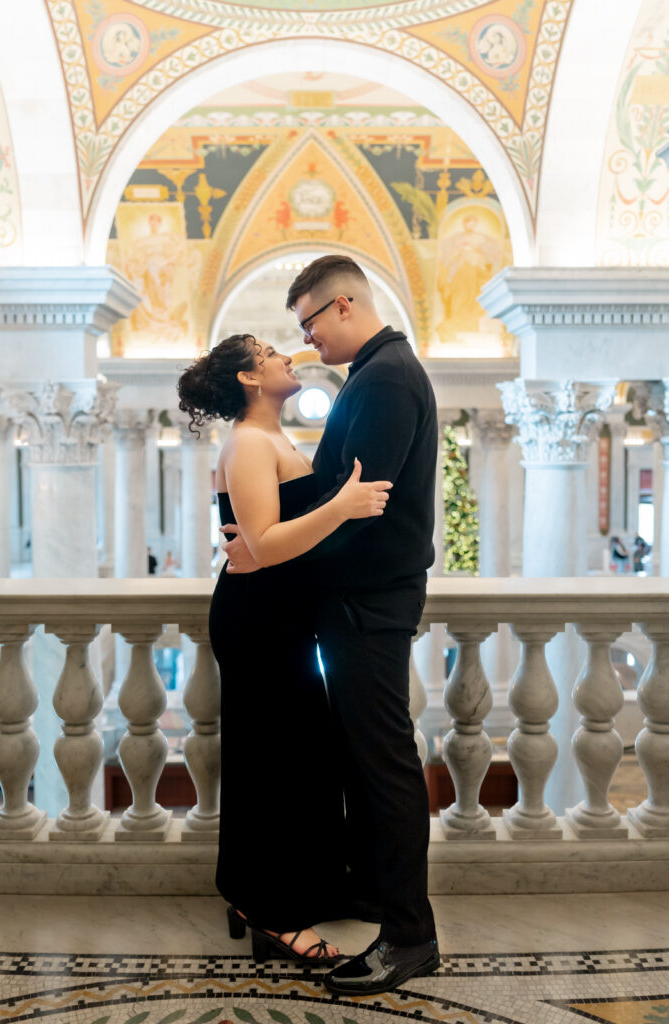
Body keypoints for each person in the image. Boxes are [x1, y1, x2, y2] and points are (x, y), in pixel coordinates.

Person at [222, 255, 440, 995]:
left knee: (384, 764)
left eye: (309, 323)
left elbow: (359, 507)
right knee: (357, 758)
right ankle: (369, 891)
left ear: (342, 305)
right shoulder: (372, 374)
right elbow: (333, 496)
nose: (306, 340)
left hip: (369, 602)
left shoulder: (384, 379)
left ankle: (409, 936)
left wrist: (265, 553)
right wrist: (261, 542)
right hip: (356, 600)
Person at [177, 333, 392, 966]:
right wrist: (344, 506)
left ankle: (278, 894)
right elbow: (267, 544)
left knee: (298, 755)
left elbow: (268, 540)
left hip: (283, 617)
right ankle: (270, 911)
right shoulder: (248, 441)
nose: (286, 356)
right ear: (249, 378)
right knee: (272, 762)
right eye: (271, 353)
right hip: (258, 620)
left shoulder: (272, 438)